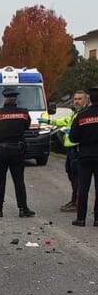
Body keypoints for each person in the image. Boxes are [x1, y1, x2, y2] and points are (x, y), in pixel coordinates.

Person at [0, 86, 35, 218]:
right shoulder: (24, 113)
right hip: (17, 150)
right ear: (16, 99)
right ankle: (23, 209)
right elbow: (26, 126)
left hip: (1, 150)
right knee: (19, 180)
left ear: (5, 99)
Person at [46, 90, 89, 212]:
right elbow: (64, 121)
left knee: (78, 177)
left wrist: (73, 133)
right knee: (71, 175)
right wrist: (49, 121)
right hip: (70, 150)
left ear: (86, 100)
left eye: (80, 99)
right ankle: (74, 200)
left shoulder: (85, 114)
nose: (76, 101)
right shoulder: (74, 113)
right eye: (75, 99)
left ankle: (77, 203)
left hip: (78, 149)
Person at [68, 87, 98, 226]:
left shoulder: (81, 115)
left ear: (89, 99)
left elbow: (73, 138)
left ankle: (81, 218)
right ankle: (97, 219)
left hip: (85, 155)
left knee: (83, 187)